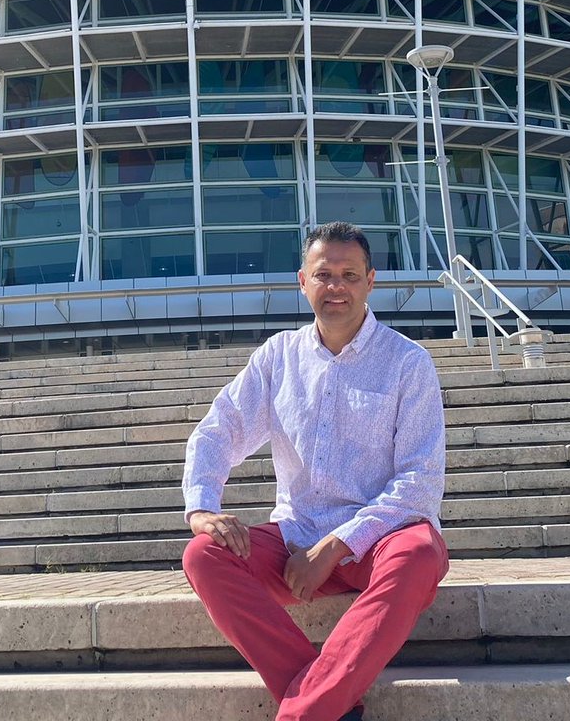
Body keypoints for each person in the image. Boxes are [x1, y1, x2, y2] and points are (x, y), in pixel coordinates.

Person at [182, 221, 448, 721]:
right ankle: (331, 704)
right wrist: (202, 508)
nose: (337, 287)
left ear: (371, 281)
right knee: (204, 556)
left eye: (349, 274)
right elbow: (219, 430)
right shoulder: (278, 357)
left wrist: (337, 546)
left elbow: (419, 482)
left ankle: (304, 713)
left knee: (417, 551)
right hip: (297, 541)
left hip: (381, 540)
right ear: (301, 282)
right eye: (324, 274)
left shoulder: (408, 363)